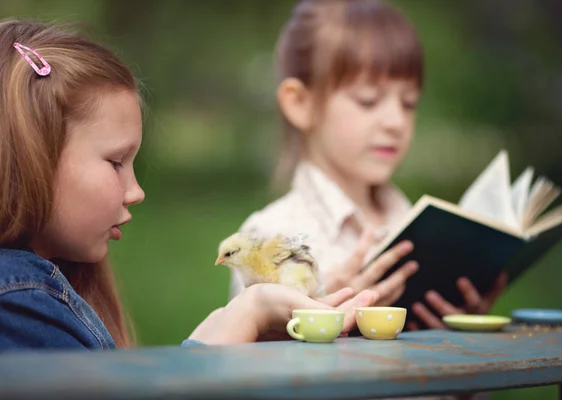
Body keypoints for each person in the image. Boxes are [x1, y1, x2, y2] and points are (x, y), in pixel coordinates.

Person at [0, 19, 378, 351]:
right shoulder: (19, 300)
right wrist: (245, 315)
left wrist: (242, 328)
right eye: (116, 162)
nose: (136, 192)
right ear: (35, 159)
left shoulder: (42, 288)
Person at [231, 0, 507, 330]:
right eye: (368, 100)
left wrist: (462, 326)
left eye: (409, 103)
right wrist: (316, 309)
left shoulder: (407, 218)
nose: (396, 122)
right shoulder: (266, 238)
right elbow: (246, 359)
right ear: (300, 103)